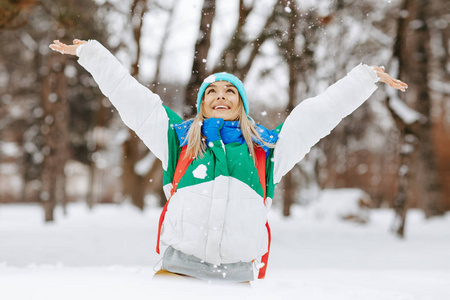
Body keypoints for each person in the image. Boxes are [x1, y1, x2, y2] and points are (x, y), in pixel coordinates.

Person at [49, 39, 407, 283]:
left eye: (229, 92)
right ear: (203, 104)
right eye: (212, 93)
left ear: (241, 104)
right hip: (178, 275)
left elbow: (318, 113)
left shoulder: (268, 149)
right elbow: (132, 97)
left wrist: (364, 78)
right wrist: (92, 54)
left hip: (236, 278)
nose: (221, 97)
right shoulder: (177, 138)